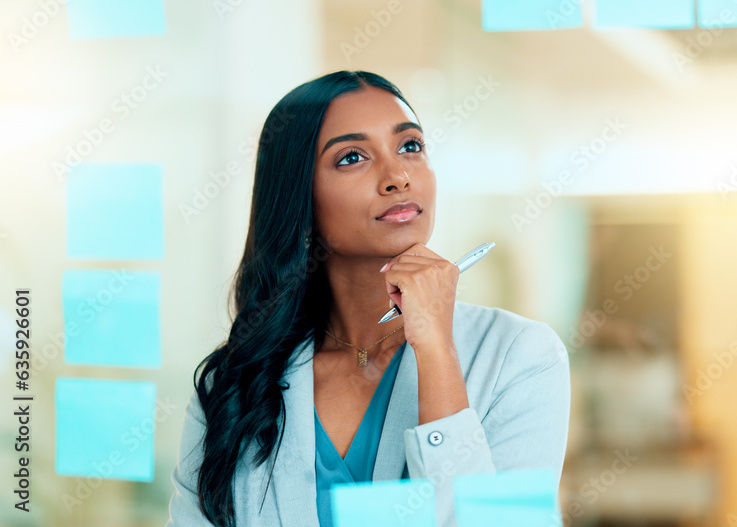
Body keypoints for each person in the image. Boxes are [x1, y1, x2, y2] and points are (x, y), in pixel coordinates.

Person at [164, 70, 571, 527]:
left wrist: (436, 349)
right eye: (352, 157)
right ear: (300, 194)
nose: (397, 175)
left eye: (411, 146)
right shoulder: (237, 383)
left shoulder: (522, 357)